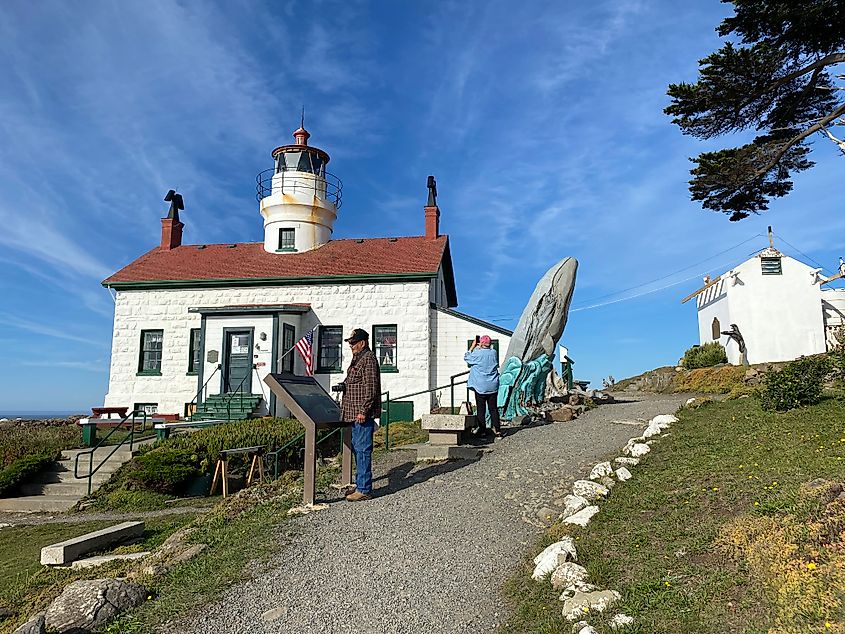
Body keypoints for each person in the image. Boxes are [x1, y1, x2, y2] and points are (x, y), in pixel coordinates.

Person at [340, 328, 381, 502]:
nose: (351, 346)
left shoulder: (368, 359)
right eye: (350, 343)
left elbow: (371, 389)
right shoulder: (357, 359)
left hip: (361, 414)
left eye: (353, 342)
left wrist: (363, 411)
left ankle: (364, 489)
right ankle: (360, 484)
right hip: (353, 413)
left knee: (363, 450)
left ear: (362, 342)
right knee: (358, 448)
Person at [464, 335, 502, 438]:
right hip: (493, 385)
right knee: (493, 408)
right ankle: (497, 430)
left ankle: (482, 430)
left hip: (480, 385)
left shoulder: (477, 353)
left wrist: (472, 347)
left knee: (481, 409)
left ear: (481, 343)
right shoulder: (493, 353)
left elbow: (467, 357)